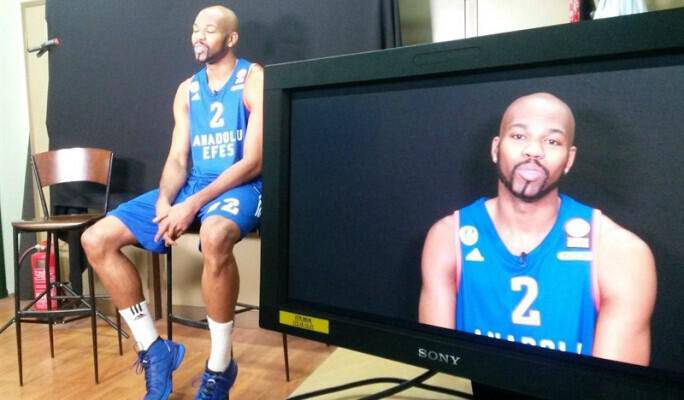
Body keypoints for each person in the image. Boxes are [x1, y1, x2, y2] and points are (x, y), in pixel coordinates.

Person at [81, 5, 262, 399]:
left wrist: (190, 205)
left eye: (209, 29)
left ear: (230, 38)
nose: (198, 36)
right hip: (192, 186)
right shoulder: (187, 89)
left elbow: (253, 161)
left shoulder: (254, 78)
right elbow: (179, 158)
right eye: (195, 29)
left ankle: (219, 368)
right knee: (96, 239)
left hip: (242, 186)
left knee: (214, 235)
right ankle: (155, 349)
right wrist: (166, 199)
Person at [418, 92, 656, 367]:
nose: (534, 151)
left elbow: (612, 389)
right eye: (519, 136)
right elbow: (438, 369)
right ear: (496, 148)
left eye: (552, 141)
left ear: (569, 159)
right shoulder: (447, 238)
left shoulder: (621, 253)